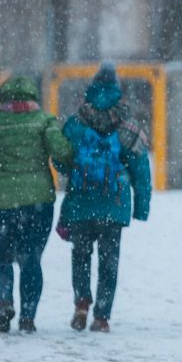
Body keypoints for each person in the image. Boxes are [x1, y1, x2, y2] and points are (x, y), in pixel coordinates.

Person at [57, 64, 151, 334]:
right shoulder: (128, 123)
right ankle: (102, 316)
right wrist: (141, 207)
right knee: (109, 260)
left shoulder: (77, 121)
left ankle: (82, 303)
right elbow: (140, 169)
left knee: (81, 255)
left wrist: (75, 170)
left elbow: (62, 160)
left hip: (81, 201)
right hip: (114, 202)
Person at [0, 76, 73, 334]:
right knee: (31, 258)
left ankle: (5, 303)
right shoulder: (45, 121)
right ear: (33, 97)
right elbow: (62, 151)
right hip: (36, 200)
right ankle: (28, 316)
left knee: (0, 257)